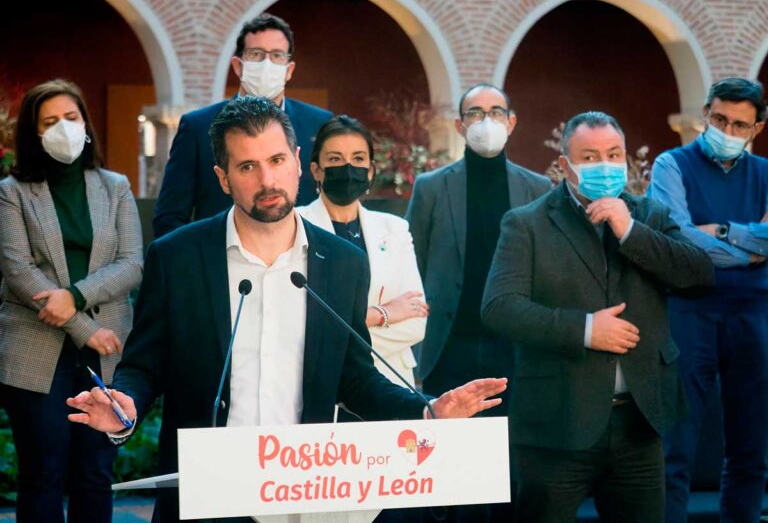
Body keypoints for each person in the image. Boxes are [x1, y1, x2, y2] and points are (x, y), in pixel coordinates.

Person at [67, 96, 507, 523]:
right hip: (209, 493)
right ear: (223, 179)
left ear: (298, 161)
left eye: (277, 161)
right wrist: (124, 407)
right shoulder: (176, 257)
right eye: (247, 166)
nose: (267, 180)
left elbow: (354, 377)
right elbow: (144, 366)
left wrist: (425, 411)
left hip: (300, 492)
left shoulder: (342, 263)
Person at [481, 111, 714, 522]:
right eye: (589, 157)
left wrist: (630, 231)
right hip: (557, 423)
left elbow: (697, 274)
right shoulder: (527, 224)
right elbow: (500, 308)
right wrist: (586, 329)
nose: (604, 165)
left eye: (613, 154)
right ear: (565, 166)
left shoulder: (649, 215)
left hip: (639, 422)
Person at [0, 79, 143, 523]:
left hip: (106, 350)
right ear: (34, 132)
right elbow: (18, 270)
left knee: (95, 472)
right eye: (50, 121)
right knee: (42, 474)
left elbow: (132, 262)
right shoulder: (13, 191)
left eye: (71, 117)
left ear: (86, 124)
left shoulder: (115, 186)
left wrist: (77, 295)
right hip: (34, 348)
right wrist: (84, 327)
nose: (63, 127)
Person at [405, 83, 549, 522]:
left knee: (510, 468)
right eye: (475, 112)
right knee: (451, 470)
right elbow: (414, 260)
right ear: (459, 124)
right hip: (450, 346)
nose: (485, 120)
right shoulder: (431, 187)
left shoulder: (538, 187)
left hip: (515, 348)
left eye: (495, 111)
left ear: (511, 121)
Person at [647, 77, 768, 523]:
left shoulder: (766, 174)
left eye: (740, 124)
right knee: (674, 446)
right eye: (719, 119)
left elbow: (705, 238)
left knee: (751, 445)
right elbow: (678, 238)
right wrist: (751, 244)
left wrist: (719, 230)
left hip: (754, 314)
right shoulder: (670, 165)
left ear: (755, 129)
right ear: (705, 114)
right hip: (688, 310)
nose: (727, 130)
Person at [153, 12, 332, 237]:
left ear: (289, 70)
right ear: (238, 66)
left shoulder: (319, 124)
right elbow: (170, 216)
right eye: (256, 54)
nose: (267, 63)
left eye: (277, 55)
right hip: (220, 259)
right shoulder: (197, 127)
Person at [297, 115, 426, 386]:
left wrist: (337, 335)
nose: (348, 167)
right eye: (334, 159)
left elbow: (416, 322)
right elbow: (298, 324)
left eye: (358, 159)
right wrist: (382, 314)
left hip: (390, 381)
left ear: (370, 170)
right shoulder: (294, 227)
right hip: (319, 384)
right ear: (316, 170)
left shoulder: (395, 230)